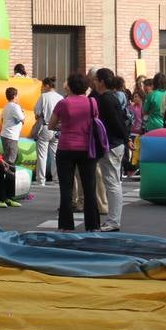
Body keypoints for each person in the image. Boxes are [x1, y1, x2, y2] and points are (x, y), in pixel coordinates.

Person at [49, 73, 101, 232]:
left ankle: (66, 225)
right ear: (86, 87)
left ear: (69, 86)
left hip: (65, 148)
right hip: (87, 150)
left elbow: (51, 125)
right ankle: (92, 226)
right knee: (89, 188)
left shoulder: (63, 103)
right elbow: (95, 122)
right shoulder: (92, 102)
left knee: (66, 189)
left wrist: (62, 126)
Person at [94, 68, 131, 232]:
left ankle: (114, 221)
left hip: (111, 145)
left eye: (96, 79)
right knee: (113, 182)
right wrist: (126, 139)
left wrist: (125, 138)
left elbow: (116, 122)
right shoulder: (112, 97)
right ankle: (113, 219)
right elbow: (121, 121)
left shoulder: (105, 100)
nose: (94, 82)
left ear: (102, 81)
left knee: (112, 183)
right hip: (116, 144)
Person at [33, 76, 64, 186]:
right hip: (58, 129)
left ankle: (41, 180)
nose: (41, 88)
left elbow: (37, 112)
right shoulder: (60, 97)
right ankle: (56, 178)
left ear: (47, 86)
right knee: (55, 155)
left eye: (42, 86)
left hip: (46, 127)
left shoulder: (44, 97)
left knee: (42, 155)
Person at [0, 86, 25, 165]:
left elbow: (2, 120)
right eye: (17, 95)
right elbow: (22, 119)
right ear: (14, 96)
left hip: (5, 134)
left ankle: (4, 173)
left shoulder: (6, 106)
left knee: (7, 156)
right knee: (11, 158)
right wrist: (22, 112)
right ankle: (7, 175)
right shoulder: (15, 106)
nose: (18, 97)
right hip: (11, 136)